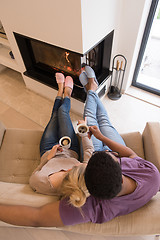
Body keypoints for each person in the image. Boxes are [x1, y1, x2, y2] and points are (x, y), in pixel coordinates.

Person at [0, 67, 159, 228]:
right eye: (111, 155)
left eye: (83, 165)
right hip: (113, 157)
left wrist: (93, 143)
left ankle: (91, 89)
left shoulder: (92, 207)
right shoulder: (152, 175)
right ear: (119, 165)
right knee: (104, 121)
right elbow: (130, 154)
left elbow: (37, 218)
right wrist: (101, 138)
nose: (108, 152)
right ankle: (92, 89)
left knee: (91, 119)